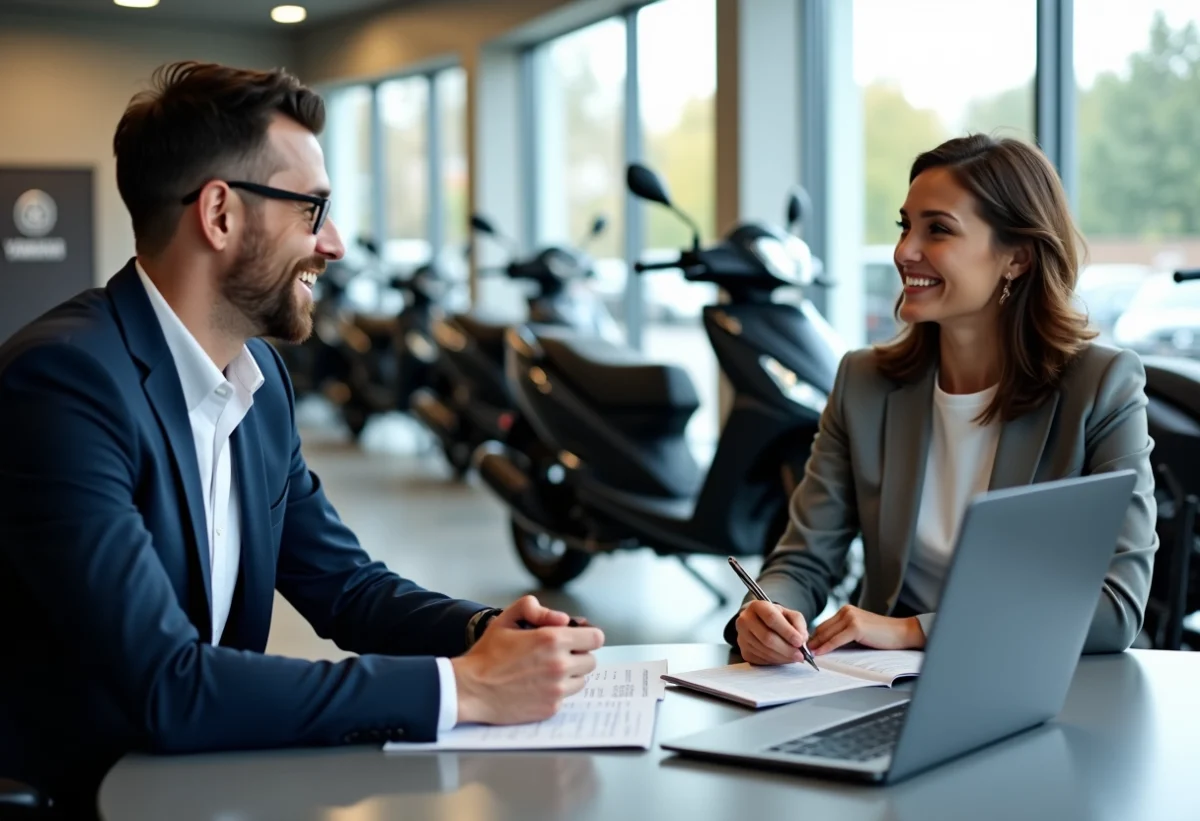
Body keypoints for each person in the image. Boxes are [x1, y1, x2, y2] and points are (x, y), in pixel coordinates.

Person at [0, 61, 604, 813]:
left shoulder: (259, 381)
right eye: (312, 209)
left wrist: (483, 631)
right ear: (219, 214)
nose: (336, 243)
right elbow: (166, 682)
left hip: (194, 783)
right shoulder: (63, 384)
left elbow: (346, 588)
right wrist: (466, 686)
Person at [728, 134, 1157, 665]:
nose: (904, 251)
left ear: (1017, 258)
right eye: (905, 226)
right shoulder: (864, 382)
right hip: (882, 687)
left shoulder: (1101, 385)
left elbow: (1116, 608)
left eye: (938, 230)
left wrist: (914, 631)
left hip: (1037, 684)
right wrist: (765, 615)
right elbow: (803, 560)